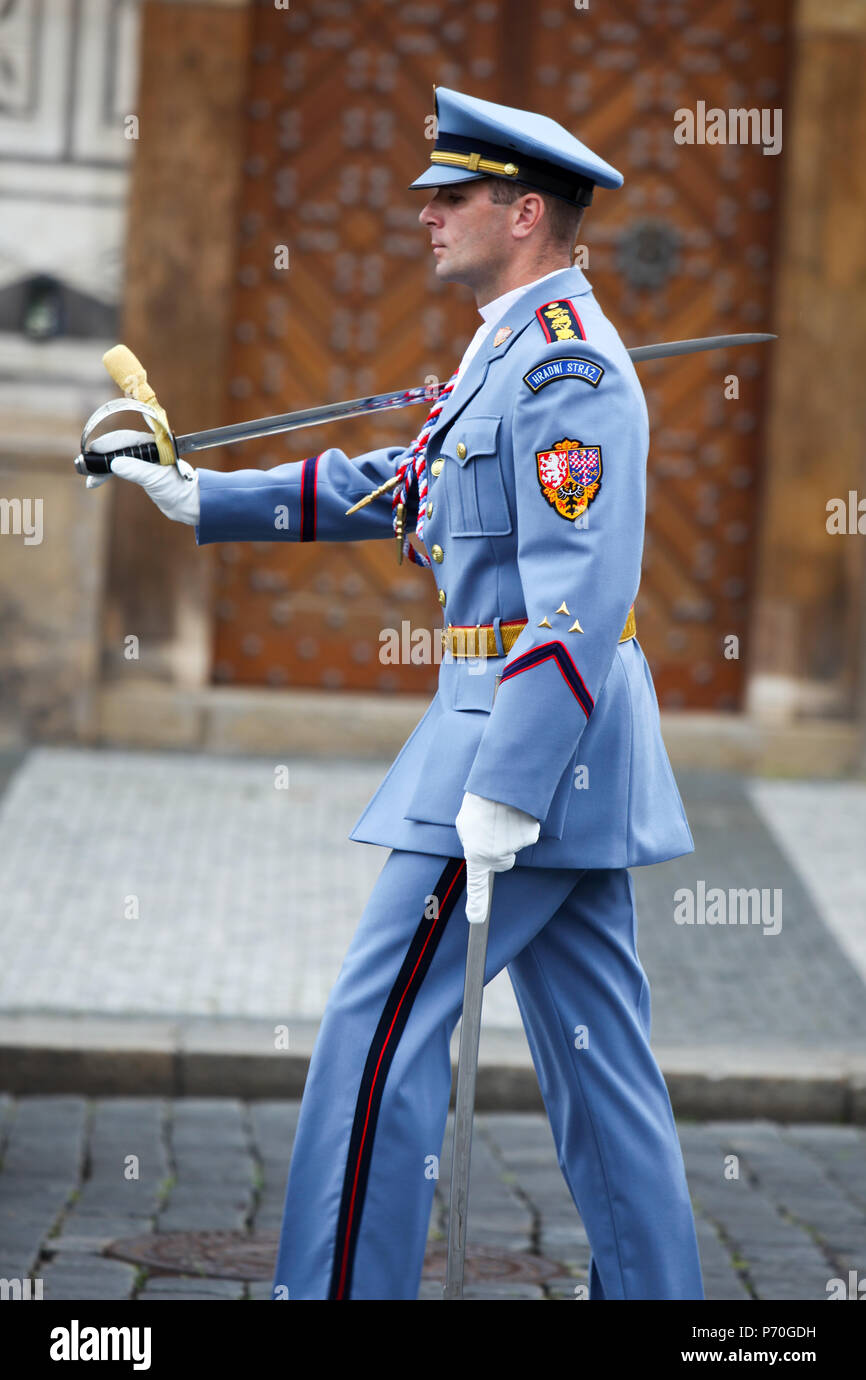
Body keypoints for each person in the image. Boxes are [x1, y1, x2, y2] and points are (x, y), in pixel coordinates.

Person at [84, 86, 705, 1301]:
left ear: (523, 212)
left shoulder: (566, 366)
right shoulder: (507, 348)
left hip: (513, 751)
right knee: (602, 1067)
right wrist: (199, 496)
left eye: (452, 197)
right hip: (542, 753)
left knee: (372, 1042)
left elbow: (576, 601)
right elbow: (399, 484)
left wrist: (507, 790)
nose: (424, 215)